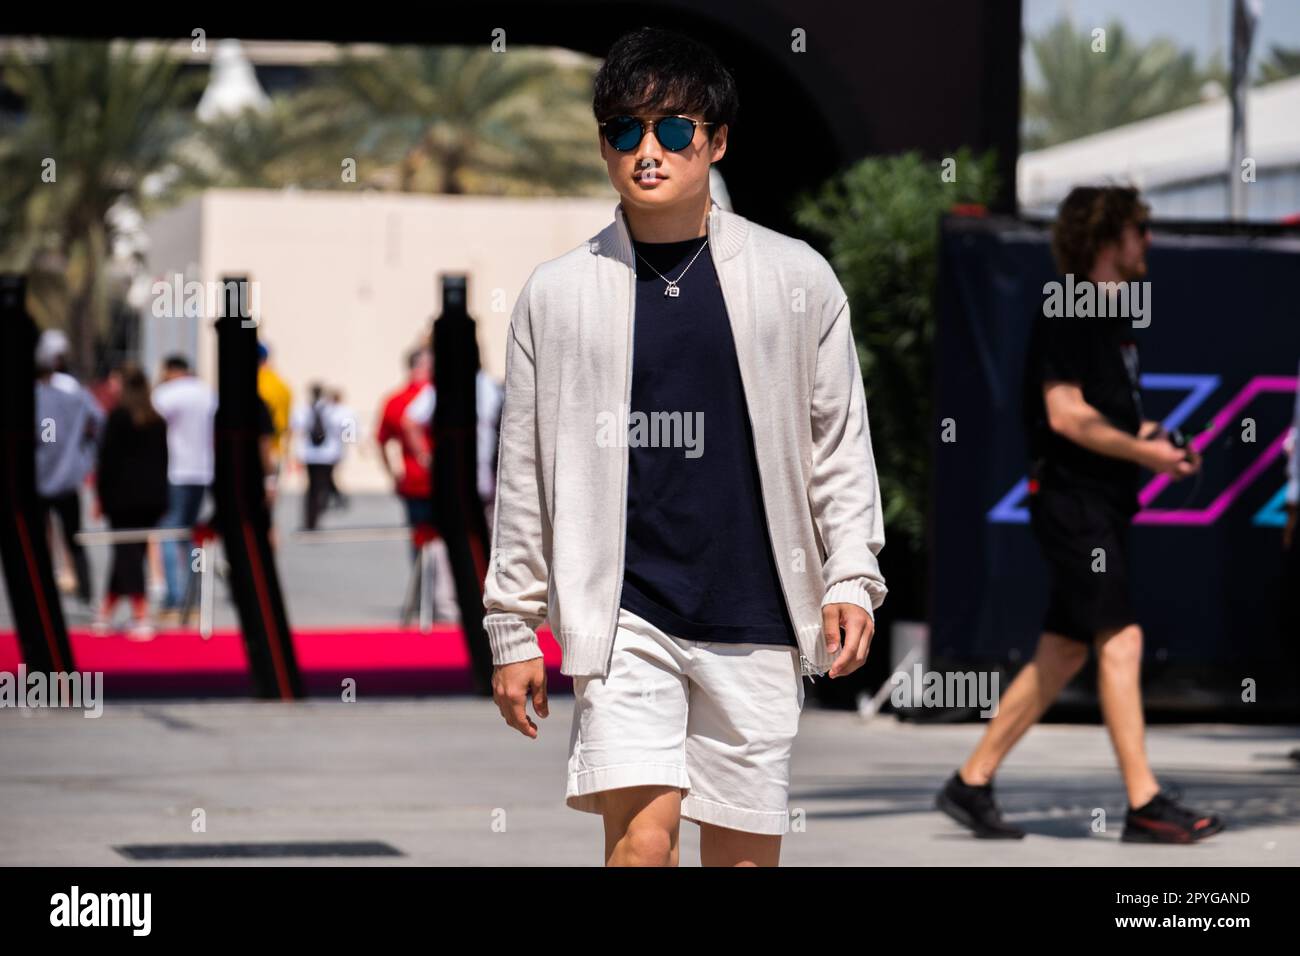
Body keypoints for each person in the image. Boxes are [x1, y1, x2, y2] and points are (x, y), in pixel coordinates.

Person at [483, 27, 887, 867]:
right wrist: (513, 626)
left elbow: (839, 443)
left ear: (717, 141)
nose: (650, 151)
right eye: (626, 130)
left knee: (740, 860)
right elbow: (523, 471)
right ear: (603, 145)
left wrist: (852, 575)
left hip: (757, 612)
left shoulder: (795, 278)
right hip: (627, 613)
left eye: (674, 130)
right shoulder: (558, 295)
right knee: (641, 848)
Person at [935, 185, 1225, 844]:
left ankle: (971, 781)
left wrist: (1160, 444)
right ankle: (1145, 803)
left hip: (1100, 503)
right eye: (1141, 229)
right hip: (1074, 505)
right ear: (1108, 237)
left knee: (1065, 651)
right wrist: (1143, 454)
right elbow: (1066, 414)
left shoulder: (1112, 319)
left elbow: (1114, 417)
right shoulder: (1070, 309)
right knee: (1120, 641)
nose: (1148, 241)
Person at [92, 365, 169, 640]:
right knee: (128, 552)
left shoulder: (118, 418)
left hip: (122, 498)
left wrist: (99, 497)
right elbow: (163, 461)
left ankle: (140, 614)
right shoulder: (156, 420)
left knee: (128, 554)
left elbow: (107, 462)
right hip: (150, 498)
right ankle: (105, 612)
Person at [34, 329, 104, 607]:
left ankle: (43, 589)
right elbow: (98, 421)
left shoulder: (46, 391)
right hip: (66, 475)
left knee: (42, 536)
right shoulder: (74, 390)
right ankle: (84, 590)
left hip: (41, 475)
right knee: (74, 536)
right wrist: (84, 454)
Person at [151, 354, 216, 616]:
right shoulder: (207, 393)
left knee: (169, 531)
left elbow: (150, 425)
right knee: (189, 534)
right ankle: (195, 597)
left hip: (175, 469)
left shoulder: (166, 394)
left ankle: (173, 598)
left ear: (169, 370)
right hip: (202, 470)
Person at [291, 383, 344, 530]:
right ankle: (314, 518)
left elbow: (296, 431)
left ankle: (313, 518)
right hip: (322, 455)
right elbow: (345, 430)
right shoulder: (332, 410)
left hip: (315, 455)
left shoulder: (305, 410)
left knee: (315, 487)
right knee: (318, 486)